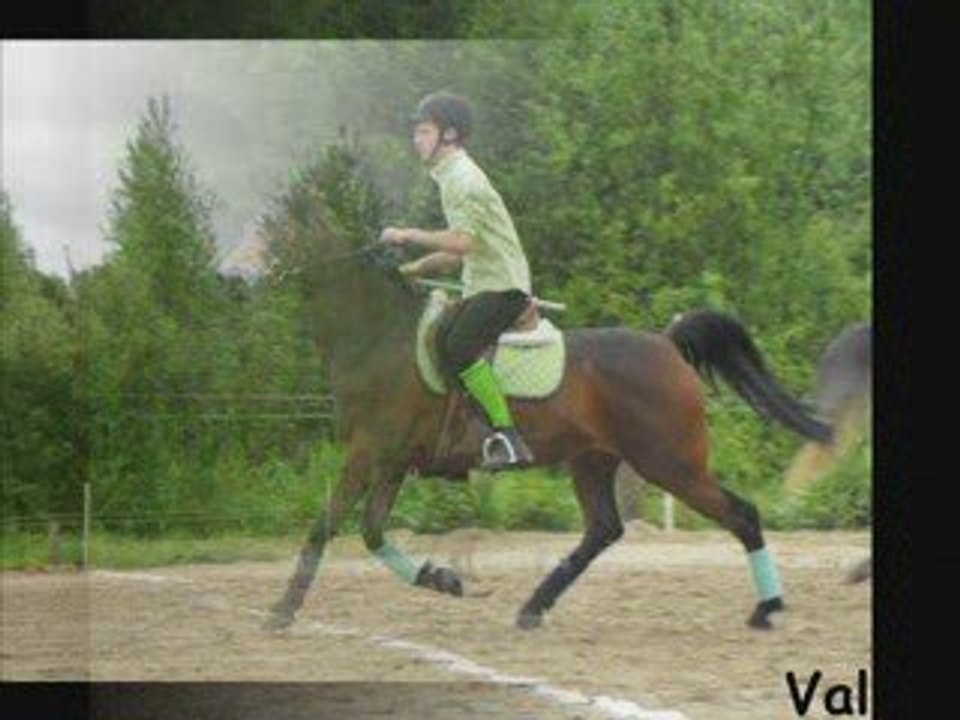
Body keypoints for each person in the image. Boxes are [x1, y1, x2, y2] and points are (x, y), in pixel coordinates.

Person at [380, 91, 534, 471]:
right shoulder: (450, 176)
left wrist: (407, 234)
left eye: (424, 130)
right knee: (441, 338)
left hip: (503, 286)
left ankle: (509, 438)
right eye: (416, 131)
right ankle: (460, 436)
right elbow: (458, 251)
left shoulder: (462, 180)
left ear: (448, 135)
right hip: (485, 283)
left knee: (458, 343)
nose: (416, 139)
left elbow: (461, 242)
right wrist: (414, 270)